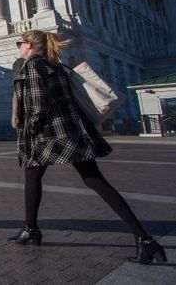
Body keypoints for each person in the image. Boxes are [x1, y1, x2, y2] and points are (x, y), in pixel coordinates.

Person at [10, 29, 166, 265]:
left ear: (29, 46)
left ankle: (145, 240)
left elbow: (39, 104)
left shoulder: (32, 67)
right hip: (72, 130)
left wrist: (30, 129)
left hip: (49, 134)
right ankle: (144, 239)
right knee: (91, 180)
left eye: (19, 43)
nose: (18, 47)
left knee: (37, 177)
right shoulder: (56, 65)